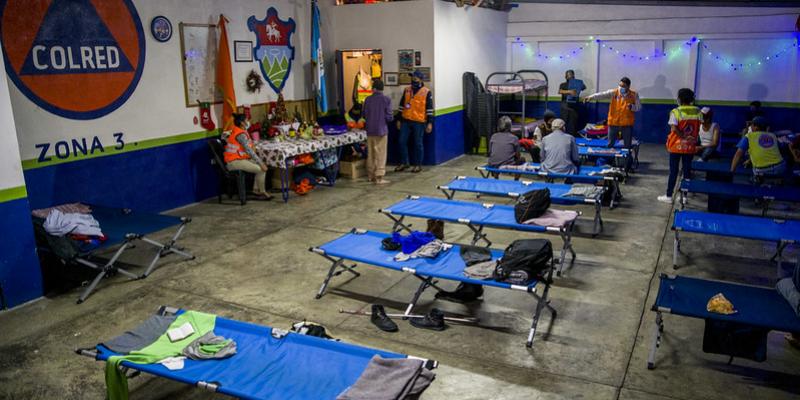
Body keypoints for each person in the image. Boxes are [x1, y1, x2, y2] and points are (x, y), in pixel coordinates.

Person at [582, 77, 641, 169]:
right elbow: (601, 95)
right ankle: (608, 164)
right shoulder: (614, 92)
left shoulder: (634, 95)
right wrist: (590, 97)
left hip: (627, 124)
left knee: (627, 147)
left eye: (623, 86)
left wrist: (632, 107)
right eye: (620, 85)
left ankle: (626, 166)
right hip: (613, 123)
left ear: (628, 86)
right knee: (610, 145)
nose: (621, 87)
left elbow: (638, 107)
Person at [658, 88, 701, 204]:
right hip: (690, 146)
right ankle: (684, 197)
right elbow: (699, 127)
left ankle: (668, 196)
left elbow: (674, 128)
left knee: (674, 171)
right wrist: (690, 138)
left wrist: (683, 136)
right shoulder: (698, 111)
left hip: (676, 146)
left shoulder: (676, 111)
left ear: (680, 98)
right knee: (687, 171)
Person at [224, 113, 272, 201]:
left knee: (262, 166)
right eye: (246, 120)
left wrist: (260, 162)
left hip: (239, 159)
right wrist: (260, 163)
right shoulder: (240, 134)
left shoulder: (240, 130)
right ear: (242, 123)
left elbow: (249, 146)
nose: (248, 122)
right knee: (261, 168)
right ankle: (262, 192)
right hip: (233, 162)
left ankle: (257, 190)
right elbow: (249, 151)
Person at [396, 70, 433, 173]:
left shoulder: (426, 91)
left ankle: (418, 165)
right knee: (401, 141)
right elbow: (401, 106)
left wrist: (430, 122)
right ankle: (404, 163)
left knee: (418, 144)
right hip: (406, 120)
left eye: (415, 77)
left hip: (419, 122)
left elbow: (429, 108)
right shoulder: (407, 90)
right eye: (412, 77)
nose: (413, 79)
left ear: (420, 79)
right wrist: (399, 119)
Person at [362, 79, 393, 184]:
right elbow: (389, 117)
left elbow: (364, 115)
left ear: (374, 88)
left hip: (369, 130)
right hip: (381, 130)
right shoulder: (386, 100)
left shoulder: (367, 100)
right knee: (380, 154)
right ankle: (379, 177)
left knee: (370, 153)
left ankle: (370, 175)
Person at [558, 70, 585, 136]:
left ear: (573, 75)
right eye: (568, 75)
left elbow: (584, 87)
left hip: (574, 106)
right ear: (565, 76)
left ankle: (572, 137)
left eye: (571, 74)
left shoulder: (577, 83)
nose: (569, 76)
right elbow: (560, 91)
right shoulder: (563, 84)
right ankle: (562, 136)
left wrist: (578, 83)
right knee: (564, 122)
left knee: (573, 123)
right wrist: (569, 91)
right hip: (565, 106)